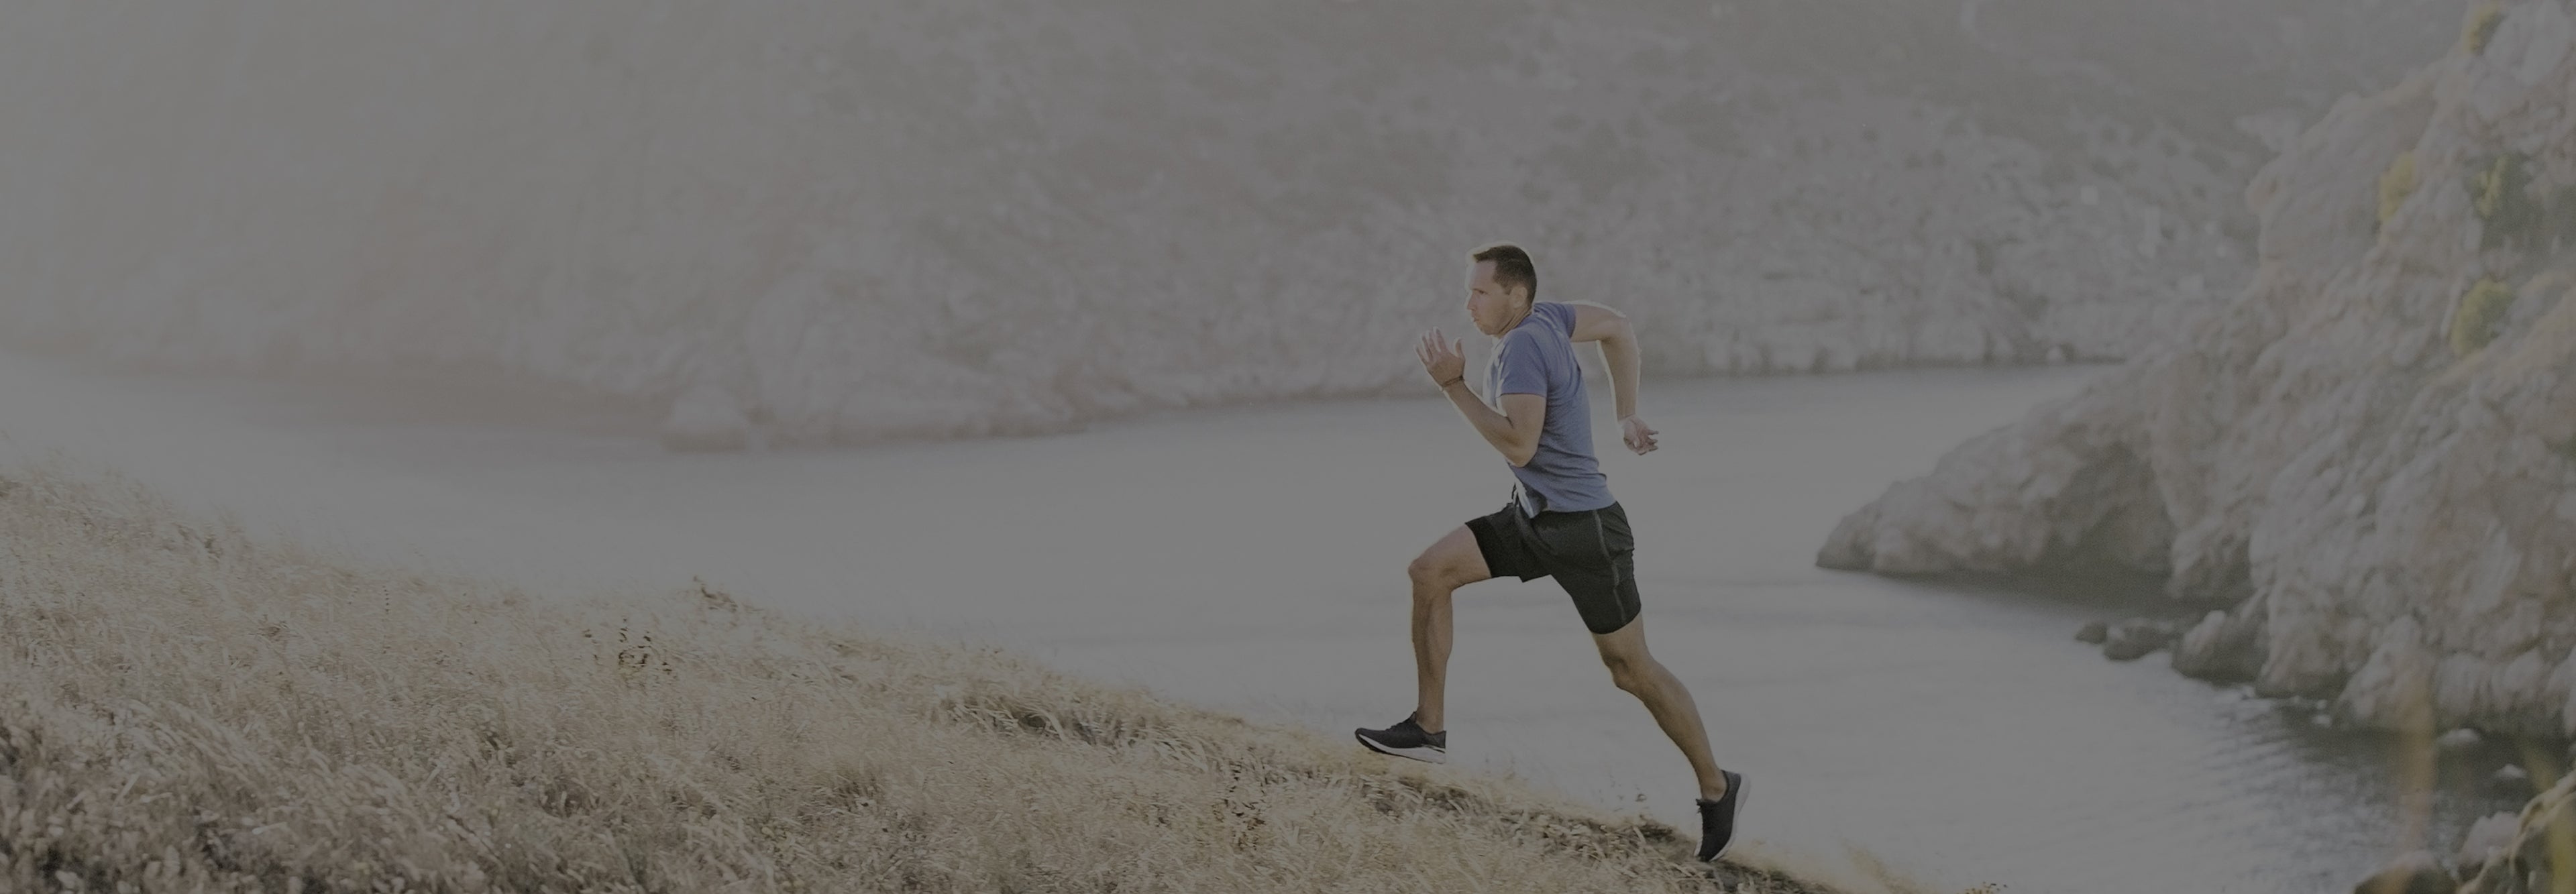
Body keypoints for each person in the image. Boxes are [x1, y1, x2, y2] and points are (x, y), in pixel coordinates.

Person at [1352, 243, 1747, 862]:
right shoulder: (1552, 318)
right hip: (1535, 518)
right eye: (1470, 291)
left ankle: (1719, 787)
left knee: (1630, 670)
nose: (1469, 304)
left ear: (1515, 295)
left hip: (1586, 532)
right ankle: (1428, 729)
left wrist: (1453, 385)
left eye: (1480, 292)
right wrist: (1627, 414)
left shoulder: (1522, 347)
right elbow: (1617, 326)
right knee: (1430, 571)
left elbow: (1518, 444)